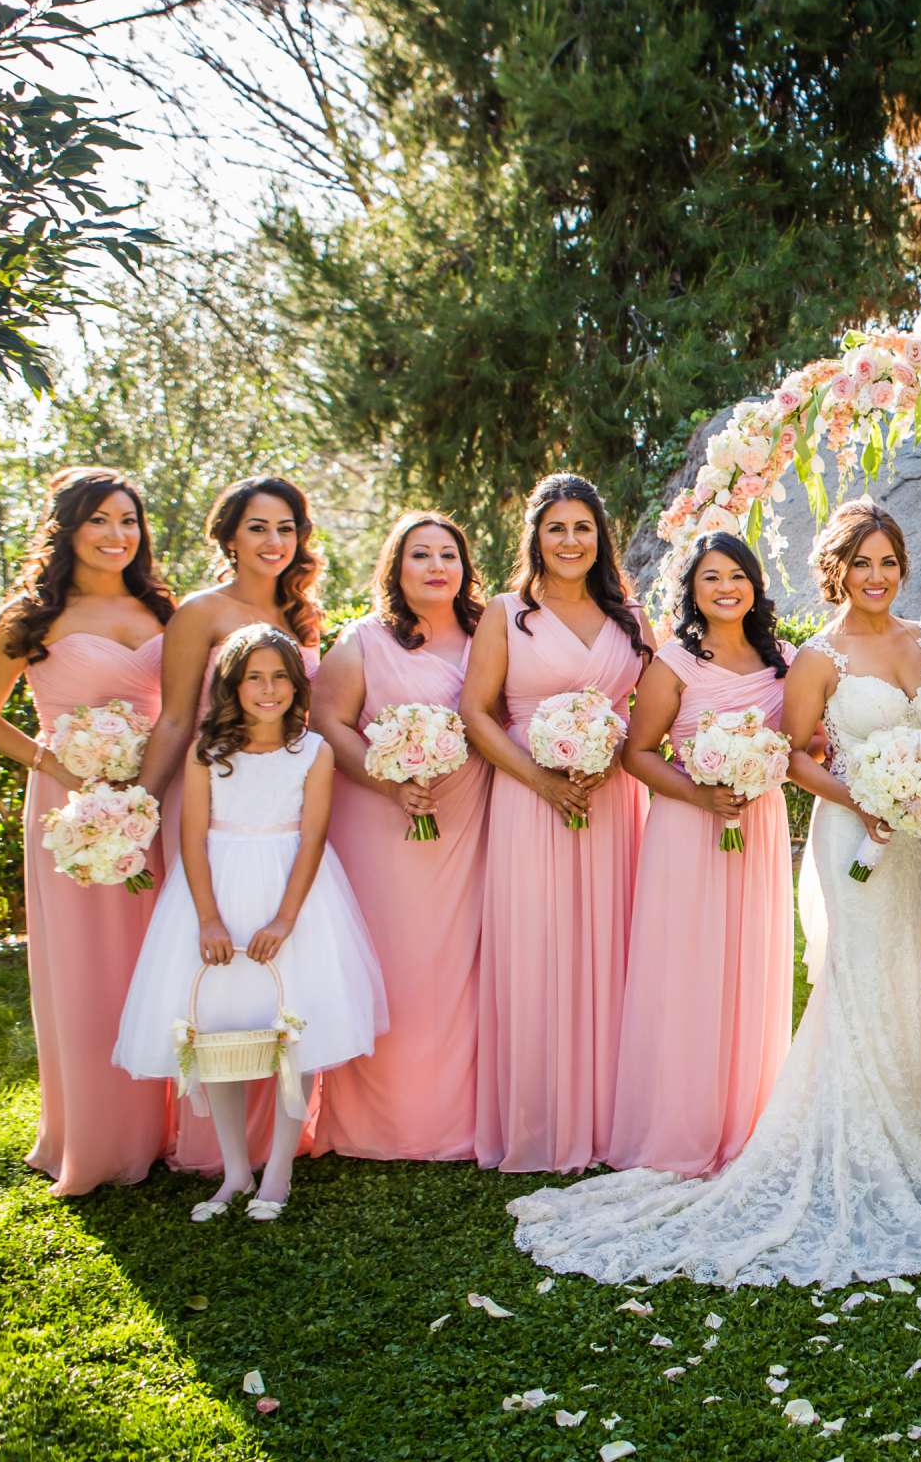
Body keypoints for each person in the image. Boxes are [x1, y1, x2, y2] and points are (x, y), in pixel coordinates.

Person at [504, 500, 921, 1287]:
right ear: (837, 570)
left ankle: (904, 1114)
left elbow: (894, 733)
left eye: (888, 562)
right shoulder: (813, 656)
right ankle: (831, 1124)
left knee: (894, 964)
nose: (877, 575)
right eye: (861, 562)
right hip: (846, 829)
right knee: (849, 972)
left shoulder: (906, 644)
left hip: (909, 837)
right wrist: (860, 797)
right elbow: (794, 753)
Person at [113, 626, 385, 1221]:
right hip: (215, 893)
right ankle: (236, 1170)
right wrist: (208, 919)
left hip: (294, 896)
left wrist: (286, 919)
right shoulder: (208, 752)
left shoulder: (313, 751)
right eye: (254, 677)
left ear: (297, 685)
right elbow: (190, 838)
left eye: (280, 677)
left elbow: (313, 838)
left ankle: (280, 1170)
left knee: (295, 1031)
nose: (269, 689)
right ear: (232, 687)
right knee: (218, 1031)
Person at [0, 467, 176, 1195]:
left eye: (128, 521)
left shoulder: (163, 610)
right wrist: (57, 764)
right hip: (72, 814)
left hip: (156, 802)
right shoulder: (30, 616)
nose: (118, 535)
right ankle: (98, 1135)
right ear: (67, 529)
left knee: (161, 955)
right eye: (99, 521)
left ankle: (172, 1125)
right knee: (87, 969)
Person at [139, 476, 330, 1176]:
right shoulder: (201, 611)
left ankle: (276, 1154)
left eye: (286, 528)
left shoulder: (300, 613)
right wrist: (139, 806)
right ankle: (220, 1158)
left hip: (284, 815)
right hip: (213, 811)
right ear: (229, 535)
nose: (274, 542)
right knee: (213, 988)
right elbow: (174, 719)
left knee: (287, 987)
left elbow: (301, 716)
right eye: (258, 527)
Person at [464, 474, 655, 1174]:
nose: (570, 541)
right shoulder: (506, 614)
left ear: (600, 538)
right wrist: (540, 779)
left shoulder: (631, 620)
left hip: (609, 804)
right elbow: (476, 713)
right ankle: (540, 1121)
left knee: (611, 944)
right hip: (529, 799)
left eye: (583, 528)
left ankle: (608, 1117)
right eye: (556, 529)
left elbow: (651, 710)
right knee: (536, 945)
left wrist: (615, 758)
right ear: (536, 538)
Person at [603, 532, 795, 1175]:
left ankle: (745, 1116)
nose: (726, 588)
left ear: (755, 584)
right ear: (692, 591)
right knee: (688, 970)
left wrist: (786, 759)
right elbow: (638, 754)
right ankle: (680, 1122)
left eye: (737, 575)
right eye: (711, 578)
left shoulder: (784, 663)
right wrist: (702, 794)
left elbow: (803, 746)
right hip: (689, 830)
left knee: (749, 964)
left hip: (756, 829)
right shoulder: (674, 665)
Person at [310, 512, 490, 1162]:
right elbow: (325, 722)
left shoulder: (487, 635)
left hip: (470, 819)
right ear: (397, 567)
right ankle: (378, 1122)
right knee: (398, 962)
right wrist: (387, 779)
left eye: (449, 554)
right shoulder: (364, 641)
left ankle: (465, 1115)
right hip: (381, 823)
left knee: (463, 965)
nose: (438, 566)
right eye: (421, 555)